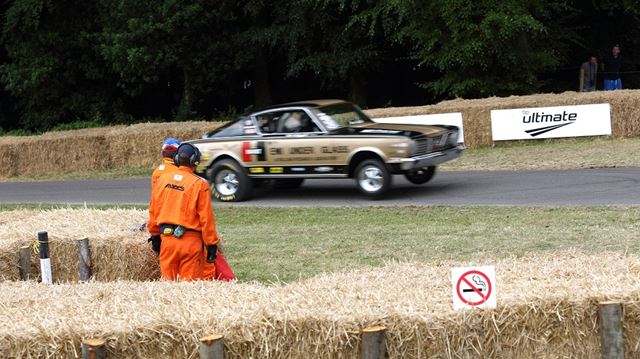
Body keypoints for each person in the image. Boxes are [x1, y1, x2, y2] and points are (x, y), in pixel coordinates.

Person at [148, 143, 220, 281]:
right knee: (190, 291)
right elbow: (206, 218)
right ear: (195, 161)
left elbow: (153, 210)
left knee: (168, 288)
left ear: (176, 159)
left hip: (167, 241)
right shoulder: (200, 184)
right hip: (190, 243)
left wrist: (155, 235)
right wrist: (211, 244)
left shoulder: (162, 179)